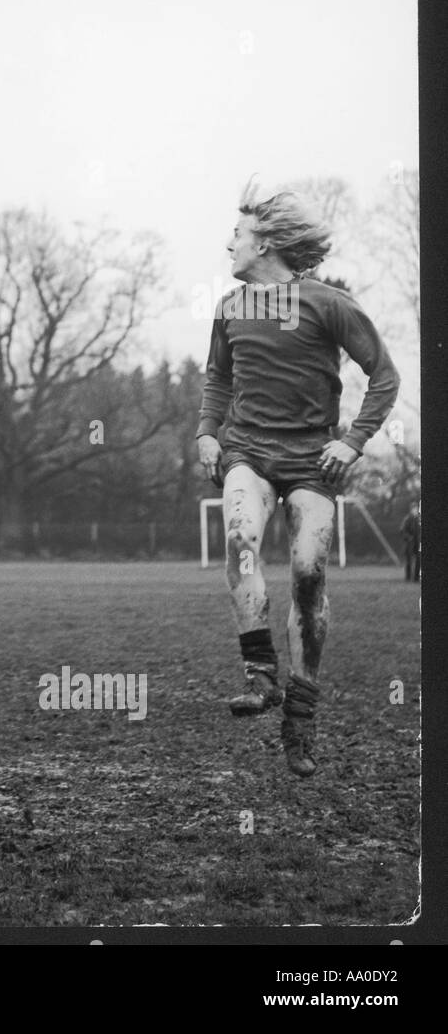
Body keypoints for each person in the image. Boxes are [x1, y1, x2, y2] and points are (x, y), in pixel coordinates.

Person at [197, 181, 399, 777]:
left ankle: (300, 716)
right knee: (240, 544)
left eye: (236, 235)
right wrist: (208, 434)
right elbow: (217, 380)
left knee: (309, 574)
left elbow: (384, 376)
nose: (226, 244)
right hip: (249, 455)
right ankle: (259, 676)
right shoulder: (229, 308)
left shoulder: (328, 303)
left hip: (313, 460)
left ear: (266, 243)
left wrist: (352, 441)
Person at [400, 500, 421, 582]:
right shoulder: (407, 518)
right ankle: (408, 578)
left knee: (419, 559)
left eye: (416, 508)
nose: (415, 510)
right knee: (409, 560)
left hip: (418, 542)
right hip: (410, 543)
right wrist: (409, 538)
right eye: (414, 508)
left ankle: (416, 578)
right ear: (411, 509)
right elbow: (402, 530)